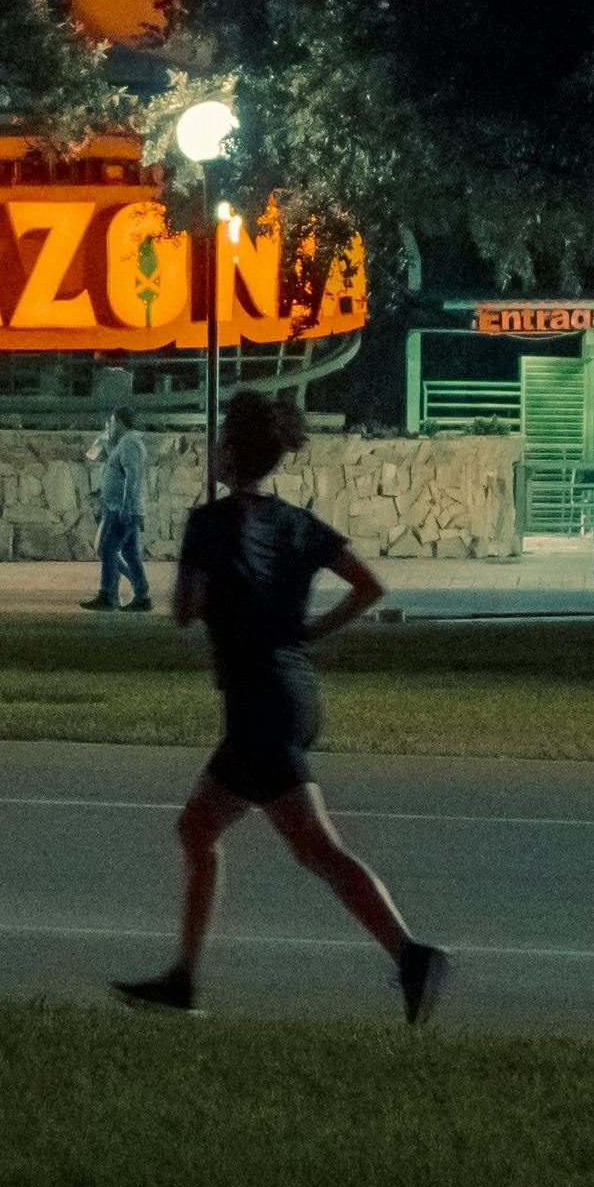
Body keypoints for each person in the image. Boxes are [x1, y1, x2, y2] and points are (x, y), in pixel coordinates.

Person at [117, 390, 447, 1021]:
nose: (212, 446)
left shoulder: (209, 524)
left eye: (219, 438)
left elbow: (185, 612)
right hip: (291, 693)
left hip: (258, 705)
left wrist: (209, 593)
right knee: (197, 828)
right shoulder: (297, 523)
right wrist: (311, 632)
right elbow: (370, 587)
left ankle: (412, 956)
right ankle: (182, 979)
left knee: (316, 848)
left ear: (231, 452)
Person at [84, 406, 154, 610]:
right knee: (130, 554)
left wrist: (125, 505)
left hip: (122, 509)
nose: (110, 427)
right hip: (123, 508)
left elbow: (133, 476)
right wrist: (103, 440)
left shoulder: (129, 443)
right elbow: (91, 457)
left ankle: (109, 597)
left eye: (112, 423)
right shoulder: (122, 444)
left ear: (121, 423)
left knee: (107, 550)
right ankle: (142, 597)